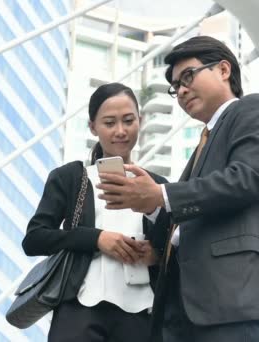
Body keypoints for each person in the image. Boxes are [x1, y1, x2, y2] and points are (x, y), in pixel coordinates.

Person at [96, 36, 259, 341]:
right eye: (176, 87)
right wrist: (151, 207)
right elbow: (193, 212)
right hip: (181, 309)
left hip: (233, 300)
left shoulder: (253, 111)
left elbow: (247, 178)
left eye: (188, 76)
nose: (182, 91)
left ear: (224, 70)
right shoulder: (200, 149)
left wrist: (162, 195)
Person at [22, 82, 170, 342]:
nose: (120, 131)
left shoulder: (159, 187)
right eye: (109, 123)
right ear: (93, 127)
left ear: (140, 120)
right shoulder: (71, 177)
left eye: (128, 120)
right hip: (79, 309)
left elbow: (180, 250)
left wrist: (156, 254)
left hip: (142, 314)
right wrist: (97, 239)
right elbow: (34, 239)